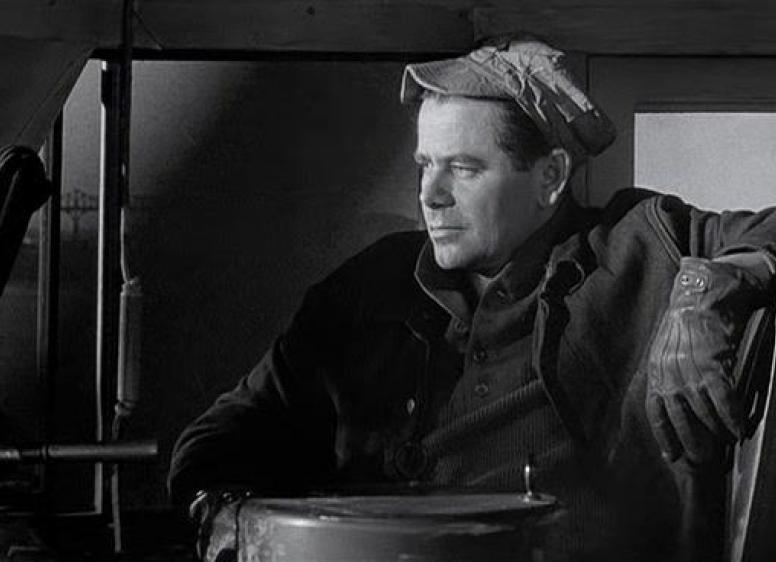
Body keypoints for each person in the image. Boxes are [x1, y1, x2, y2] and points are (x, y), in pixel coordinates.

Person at [168, 37, 776, 561]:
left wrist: (706, 291)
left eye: (462, 168)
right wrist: (221, 512)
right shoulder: (371, 284)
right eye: (424, 164)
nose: (429, 194)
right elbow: (222, 435)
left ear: (550, 177)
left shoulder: (634, 244)